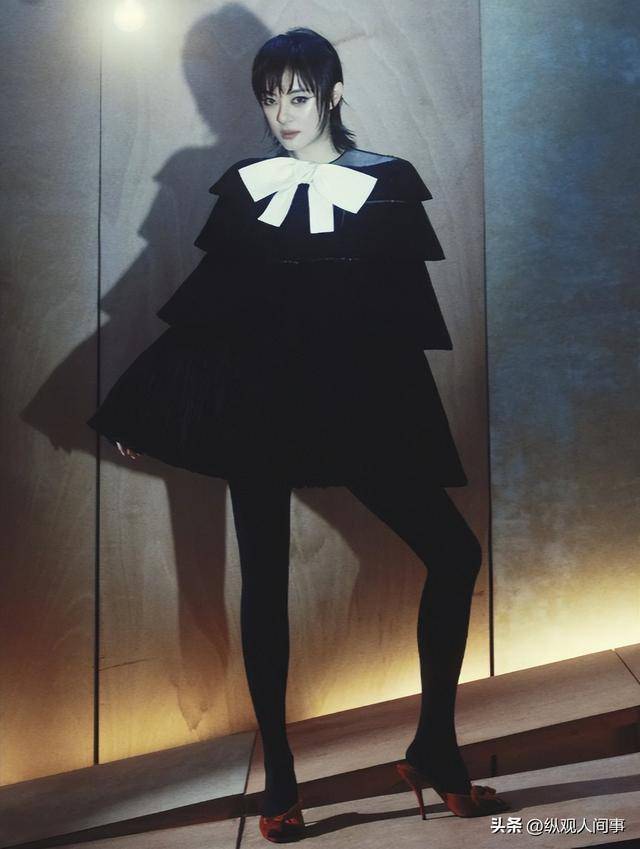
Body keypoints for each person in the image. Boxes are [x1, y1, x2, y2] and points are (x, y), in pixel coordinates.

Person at [87, 26, 509, 843]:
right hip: (259, 410)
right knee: (266, 585)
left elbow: (398, 321)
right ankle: (279, 776)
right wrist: (144, 406)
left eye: (299, 95)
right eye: (270, 97)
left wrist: (394, 419)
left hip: (355, 407)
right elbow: (205, 307)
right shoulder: (248, 187)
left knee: (455, 554)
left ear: (333, 94)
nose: (283, 112)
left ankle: (434, 746)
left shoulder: (385, 181)